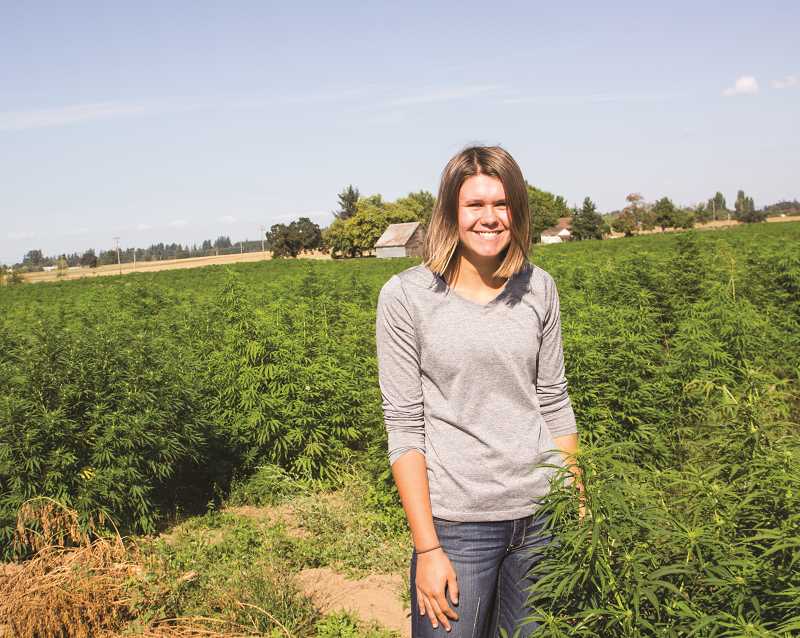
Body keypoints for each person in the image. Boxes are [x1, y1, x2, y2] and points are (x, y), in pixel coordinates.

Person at [375, 145, 583, 638]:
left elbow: (554, 399)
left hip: (542, 517)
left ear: (518, 210)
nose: (489, 218)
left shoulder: (539, 287)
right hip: (458, 526)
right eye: (475, 205)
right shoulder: (407, 297)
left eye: (502, 203)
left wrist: (577, 495)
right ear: (451, 211)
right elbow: (404, 427)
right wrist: (428, 549)